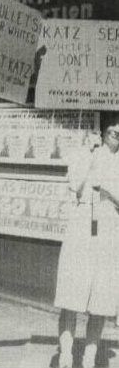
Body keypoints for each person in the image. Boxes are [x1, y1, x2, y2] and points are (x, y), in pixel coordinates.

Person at [55, 115, 119, 368]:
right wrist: (90, 158)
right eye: (113, 129)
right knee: (72, 292)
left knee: (101, 298)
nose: (117, 133)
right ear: (104, 130)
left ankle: (90, 357)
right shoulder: (85, 153)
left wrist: (107, 185)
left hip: (110, 227)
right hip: (83, 224)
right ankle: (66, 355)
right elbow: (74, 183)